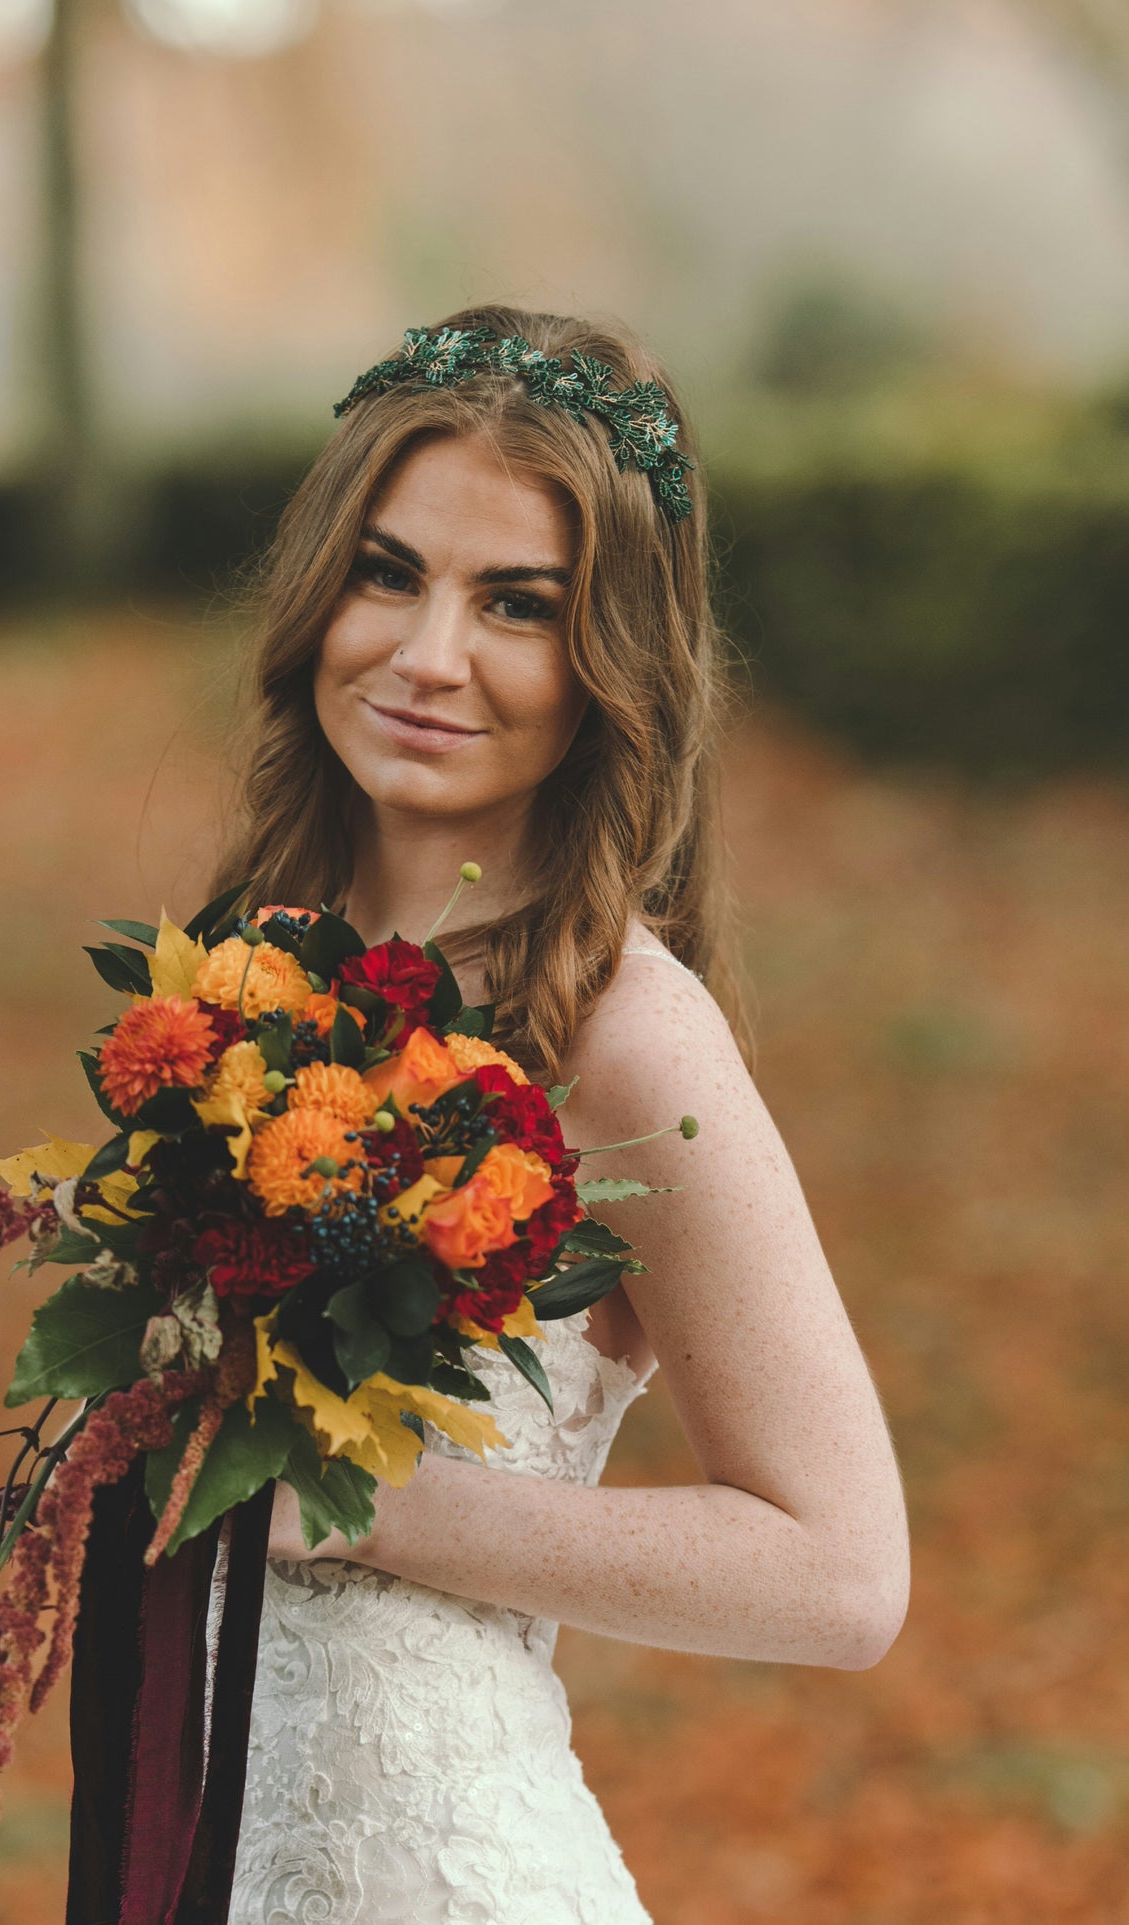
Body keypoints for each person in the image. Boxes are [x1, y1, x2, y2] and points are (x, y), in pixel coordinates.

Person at [206, 304, 911, 1924]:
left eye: (515, 603)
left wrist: (374, 1503)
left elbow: (842, 1571)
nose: (426, 654)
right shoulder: (253, 972)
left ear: (610, 663)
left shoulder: (627, 1038)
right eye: (387, 572)